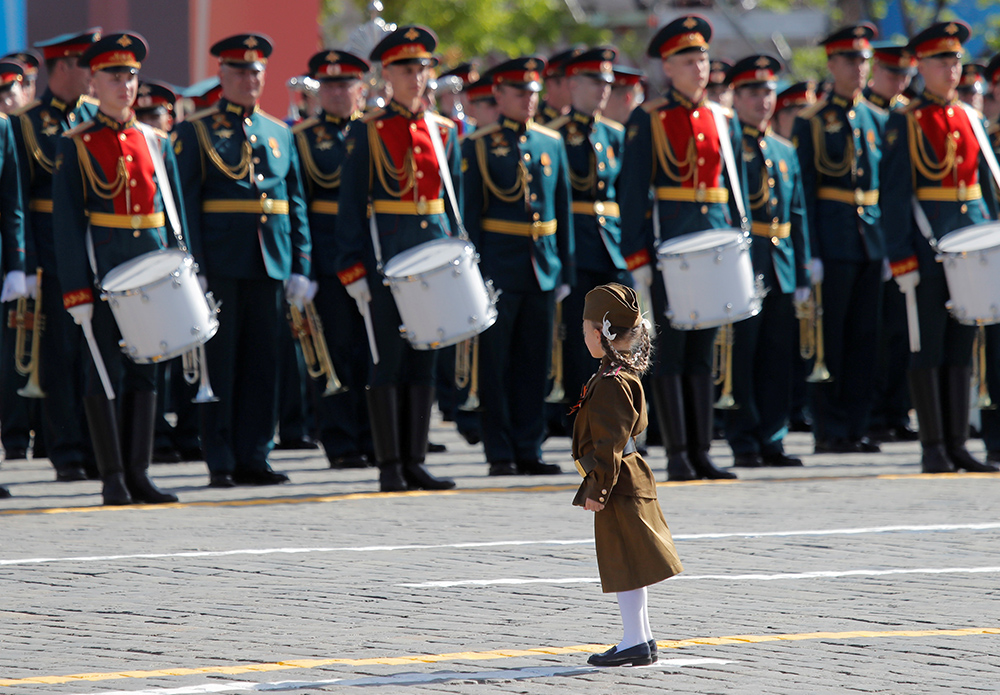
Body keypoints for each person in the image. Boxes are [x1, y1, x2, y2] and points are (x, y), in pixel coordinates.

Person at [173, 33, 312, 488]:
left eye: (256, 71)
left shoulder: (278, 132)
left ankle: (256, 454)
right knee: (222, 363)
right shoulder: (197, 130)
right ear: (222, 75)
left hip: (269, 260)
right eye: (240, 71)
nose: (250, 79)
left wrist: (300, 263)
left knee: (263, 362)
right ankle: (221, 457)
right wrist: (194, 265)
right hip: (222, 259)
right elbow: (187, 202)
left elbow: (294, 202)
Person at [52, 32, 183, 505]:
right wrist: (76, 291)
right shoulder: (77, 144)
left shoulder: (155, 141)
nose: (125, 85)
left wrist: (184, 271)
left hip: (150, 270)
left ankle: (139, 471)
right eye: (114, 76)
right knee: (103, 372)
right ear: (93, 81)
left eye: (130, 76)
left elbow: (173, 211)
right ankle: (112, 476)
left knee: (146, 371)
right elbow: (67, 225)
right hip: (104, 273)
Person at [618, 15, 746, 482]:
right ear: (667, 68)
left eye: (703, 59)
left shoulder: (720, 117)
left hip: (713, 245)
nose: (699, 68)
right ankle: (677, 453)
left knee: (703, 349)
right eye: (688, 60)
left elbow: (734, 187)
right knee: (671, 353)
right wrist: (638, 258)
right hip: (670, 248)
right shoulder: (648, 118)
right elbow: (632, 193)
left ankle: (701, 450)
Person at [334, 25, 458, 492]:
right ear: (387, 74)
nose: (417, 77)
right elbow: (351, 205)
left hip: (431, 259)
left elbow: (452, 203)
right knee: (387, 360)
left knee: (423, 359)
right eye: (407, 68)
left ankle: (415, 459)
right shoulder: (368, 131)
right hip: (386, 260)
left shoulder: (441, 131)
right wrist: (352, 266)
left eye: (423, 68)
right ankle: (389, 464)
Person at [881, 21, 1000, 474]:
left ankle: (958, 443)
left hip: (973, 245)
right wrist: (902, 257)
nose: (951, 70)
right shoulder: (906, 120)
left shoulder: (969, 116)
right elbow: (893, 195)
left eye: (955, 61)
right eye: (941, 61)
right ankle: (933, 446)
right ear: (921, 67)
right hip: (928, 247)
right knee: (926, 345)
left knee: (961, 344)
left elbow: (985, 187)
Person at [462, 55, 575, 477]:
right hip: (498, 267)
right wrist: (472, 273)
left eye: (532, 92)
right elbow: (471, 216)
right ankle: (500, 451)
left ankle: (530, 447)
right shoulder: (478, 144)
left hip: (542, 266)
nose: (528, 99)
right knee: (496, 364)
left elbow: (561, 210)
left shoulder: (550, 142)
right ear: (499, 95)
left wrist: (565, 269)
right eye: (518, 92)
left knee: (535, 361)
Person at [572, 283, 683, 667]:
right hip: (629, 478)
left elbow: (609, 445)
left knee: (624, 564)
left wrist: (597, 490)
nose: (582, 335)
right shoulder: (618, 372)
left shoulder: (611, 381)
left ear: (602, 333)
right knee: (630, 562)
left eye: (586, 328)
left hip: (619, 482)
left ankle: (635, 639)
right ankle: (642, 637)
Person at [8, 29, 100, 480]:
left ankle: (98, 445)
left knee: (96, 353)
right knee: (61, 356)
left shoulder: (96, 117)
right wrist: (25, 263)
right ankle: (67, 453)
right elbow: (18, 199)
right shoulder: (25, 122)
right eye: (87, 65)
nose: (94, 75)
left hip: (95, 251)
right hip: (50, 256)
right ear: (63, 66)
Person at [792, 23, 886, 455]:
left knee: (866, 337)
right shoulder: (811, 121)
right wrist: (809, 252)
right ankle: (830, 428)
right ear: (831, 64)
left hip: (870, 241)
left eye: (864, 60)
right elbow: (804, 193)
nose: (859, 68)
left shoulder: (877, 119)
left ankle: (858, 423)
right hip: (832, 243)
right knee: (831, 337)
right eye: (850, 60)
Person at [724, 55, 811, 468]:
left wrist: (805, 267)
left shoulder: (783, 148)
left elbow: (797, 214)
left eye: (768, 92)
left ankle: (772, 437)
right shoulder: (727, 145)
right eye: (753, 92)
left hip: (781, 259)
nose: (762, 101)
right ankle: (744, 438)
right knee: (746, 353)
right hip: (746, 258)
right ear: (736, 97)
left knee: (778, 354)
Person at [292, 48, 374, 469]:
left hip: (372, 252)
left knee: (375, 351)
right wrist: (302, 264)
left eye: (346, 84)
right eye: (330, 85)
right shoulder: (302, 138)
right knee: (335, 350)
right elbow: (298, 204)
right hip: (326, 257)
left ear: (361, 88)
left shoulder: (375, 132)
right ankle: (341, 442)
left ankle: (376, 438)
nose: (338, 92)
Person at [547, 47, 630, 432]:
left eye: (607, 83)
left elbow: (626, 196)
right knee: (581, 340)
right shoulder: (556, 136)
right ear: (573, 84)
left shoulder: (614, 134)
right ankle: (581, 418)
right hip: (577, 246)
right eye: (594, 82)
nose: (602, 90)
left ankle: (615, 417)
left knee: (619, 338)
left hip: (611, 246)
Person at [862, 44, 919, 444]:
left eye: (904, 75)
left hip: (897, 231)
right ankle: (877, 411)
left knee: (903, 330)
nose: (898, 81)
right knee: (878, 333)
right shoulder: (863, 112)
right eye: (891, 73)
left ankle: (898, 408)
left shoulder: (908, 113)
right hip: (871, 229)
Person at [535, 46, 585, 126]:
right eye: (571, 81)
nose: (577, 86)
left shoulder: (581, 120)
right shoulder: (533, 120)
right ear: (550, 84)